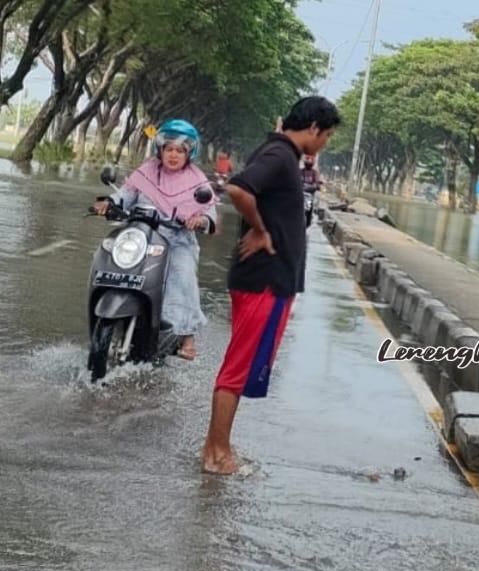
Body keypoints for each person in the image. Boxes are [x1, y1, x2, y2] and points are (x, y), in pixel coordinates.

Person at [201, 97, 341, 475]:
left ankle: (215, 447)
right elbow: (239, 189)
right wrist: (261, 232)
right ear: (313, 128)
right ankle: (217, 456)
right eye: (326, 135)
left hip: (270, 280)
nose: (324, 142)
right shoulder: (280, 155)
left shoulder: (282, 154)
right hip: (264, 279)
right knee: (237, 367)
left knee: (240, 366)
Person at [92, 118, 217, 361]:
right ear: (159, 149)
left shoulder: (198, 181)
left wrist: (199, 220)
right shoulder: (146, 171)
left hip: (176, 240)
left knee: (183, 274)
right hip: (139, 236)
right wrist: (109, 204)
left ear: (189, 153)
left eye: (180, 151)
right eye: (168, 149)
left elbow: (209, 212)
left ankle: (186, 336)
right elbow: (125, 195)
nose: (173, 155)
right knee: (105, 255)